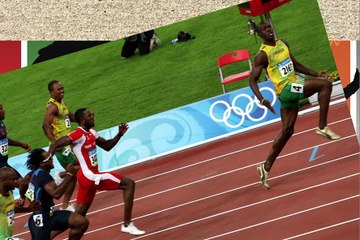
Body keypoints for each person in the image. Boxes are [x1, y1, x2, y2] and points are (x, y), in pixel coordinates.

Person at [249, 22, 341, 189]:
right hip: (285, 89)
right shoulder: (262, 55)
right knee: (325, 86)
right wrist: (262, 99)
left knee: (287, 130)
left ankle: (266, 167)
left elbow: (296, 65)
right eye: (265, 30)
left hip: (294, 85)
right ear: (260, 34)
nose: (269, 30)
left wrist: (316, 73)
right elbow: (252, 80)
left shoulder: (283, 43)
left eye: (270, 27)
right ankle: (322, 126)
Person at [49, 108, 145, 235]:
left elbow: (107, 146)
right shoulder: (78, 134)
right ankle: (127, 224)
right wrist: (47, 158)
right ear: (83, 120)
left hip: (86, 178)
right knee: (129, 184)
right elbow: (56, 143)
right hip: (90, 177)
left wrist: (119, 135)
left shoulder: (92, 133)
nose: (93, 115)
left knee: (77, 217)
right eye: (89, 115)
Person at [25, 148, 88, 240]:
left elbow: (23, 183)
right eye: (49, 159)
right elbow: (56, 194)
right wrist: (69, 175)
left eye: (51, 157)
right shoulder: (42, 176)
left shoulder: (36, 172)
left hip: (51, 215)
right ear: (42, 164)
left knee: (81, 222)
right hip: (41, 219)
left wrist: (23, 197)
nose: (52, 159)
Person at [42, 80, 77, 211]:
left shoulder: (61, 102)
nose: (62, 91)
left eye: (62, 88)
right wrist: (55, 143)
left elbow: (69, 116)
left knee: (73, 171)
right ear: (52, 92)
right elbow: (45, 125)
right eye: (58, 89)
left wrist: (82, 120)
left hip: (67, 142)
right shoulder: (52, 106)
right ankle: (65, 205)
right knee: (74, 172)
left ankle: (61, 175)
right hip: (61, 146)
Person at [0, 104, 32, 206]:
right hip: (1, 166)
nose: (3, 110)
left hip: (4, 162)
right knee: (20, 182)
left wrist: (21, 144)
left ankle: (35, 204)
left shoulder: (1, 122)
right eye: (0, 109)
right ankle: (38, 204)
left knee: (19, 185)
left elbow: (5, 140)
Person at [0, 167, 37, 240]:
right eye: (12, 179)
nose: (16, 182)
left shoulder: (9, 193)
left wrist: (27, 209)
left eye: (16, 179)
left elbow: (8, 209)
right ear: (2, 180)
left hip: (7, 234)